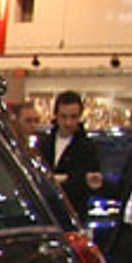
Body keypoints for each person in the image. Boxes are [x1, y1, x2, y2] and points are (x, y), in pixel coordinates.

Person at [38, 90, 102, 219]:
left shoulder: (87, 147)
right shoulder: (44, 143)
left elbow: (84, 182)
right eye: (64, 116)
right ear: (55, 115)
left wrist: (59, 179)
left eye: (73, 117)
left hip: (74, 212)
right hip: (47, 211)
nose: (68, 122)